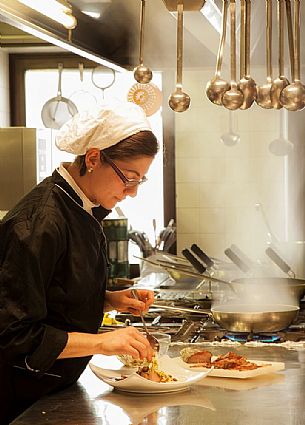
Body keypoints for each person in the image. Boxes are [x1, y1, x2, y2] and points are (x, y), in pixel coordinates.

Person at [0, 100, 159, 424]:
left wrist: (108, 301)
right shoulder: (40, 223)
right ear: (93, 158)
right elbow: (13, 336)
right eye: (128, 177)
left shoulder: (81, 207)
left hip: (54, 388)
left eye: (139, 181)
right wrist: (102, 343)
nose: (132, 192)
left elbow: (53, 294)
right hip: (20, 400)